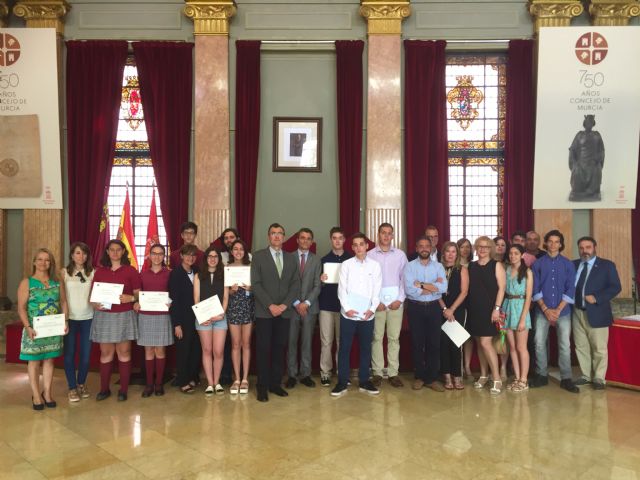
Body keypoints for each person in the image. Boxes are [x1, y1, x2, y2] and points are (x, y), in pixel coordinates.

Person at [250, 223, 300, 402]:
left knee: (280, 348)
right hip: (265, 312)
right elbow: (255, 284)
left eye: (280, 233)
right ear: (268, 237)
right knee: (263, 349)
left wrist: (285, 305)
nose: (277, 236)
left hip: (285, 313)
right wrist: (270, 305)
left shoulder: (291, 258)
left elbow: (296, 284)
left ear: (284, 237)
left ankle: (275, 384)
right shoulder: (258, 257)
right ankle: (262, 386)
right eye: (273, 233)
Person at [331, 233, 382, 397]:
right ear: (352, 247)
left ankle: (365, 381)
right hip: (348, 315)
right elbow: (342, 289)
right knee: (344, 348)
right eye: (355, 245)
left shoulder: (375, 266)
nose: (359, 247)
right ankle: (341, 382)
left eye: (362, 244)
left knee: (366, 348)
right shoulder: (346, 265)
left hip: (367, 315)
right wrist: (347, 308)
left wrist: (372, 309)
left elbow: (377, 290)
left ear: (367, 246)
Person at [90, 240, 141, 402]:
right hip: (104, 315)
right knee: (106, 353)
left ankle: (123, 390)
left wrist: (131, 298)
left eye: (118, 250)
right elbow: (92, 297)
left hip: (124, 314)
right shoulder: (100, 272)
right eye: (111, 250)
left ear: (123, 252)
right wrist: (94, 303)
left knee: (124, 352)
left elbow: (139, 295)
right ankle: (104, 389)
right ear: (107, 252)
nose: (115, 253)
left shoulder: (131, 271)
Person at [18, 248, 68, 410]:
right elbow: (21, 308)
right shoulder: (27, 282)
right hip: (34, 330)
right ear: (34, 262)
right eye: (39, 259)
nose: (43, 263)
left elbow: (63, 302)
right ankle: (36, 395)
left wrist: (65, 321)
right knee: (33, 362)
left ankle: (47, 393)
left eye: (47, 260)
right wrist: (28, 327)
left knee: (49, 360)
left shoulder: (57, 282)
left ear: (51, 263)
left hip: (52, 329)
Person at [530, 230, 579, 393]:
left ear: (561, 244)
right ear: (545, 243)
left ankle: (566, 378)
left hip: (563, 312)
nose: (553, 244)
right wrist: (545, 309)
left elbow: (571, 288)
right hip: (541, 310)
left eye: (556, 241)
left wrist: (557, 310)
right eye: (550, 241)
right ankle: (541, 375)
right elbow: (534, 288)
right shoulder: (537, 264)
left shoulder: (568, 264)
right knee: (539, 343)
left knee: (564, 344)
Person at [572, 236, 621, 390]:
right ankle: (586, 375)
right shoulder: (573, 265)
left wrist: (597, 297)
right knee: (581, 346)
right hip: (576, 311)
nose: (584, 250)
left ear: (594, 247)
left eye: (588, 247)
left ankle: (599, 378)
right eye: (581, 248)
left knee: (599, 347)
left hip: (597, 312)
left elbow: (615, 287)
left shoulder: (607, 265)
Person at [404, 236, 447, 392]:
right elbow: (410, 290)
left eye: (426, 246)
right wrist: (432, 287)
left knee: (434, 344)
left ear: (431, 248)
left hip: (434, 308)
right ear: (416, 248)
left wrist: (421, 285)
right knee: (417, 343)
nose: (424, 248)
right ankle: (420, 377)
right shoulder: (409, 267)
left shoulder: (438, 266)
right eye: (421, 246)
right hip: (415, 308)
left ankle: (432, 378)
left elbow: (442, 288)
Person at [368, 223, 408, 388]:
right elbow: (367, 281)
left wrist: (399, 299)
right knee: (376, 338)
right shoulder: (370, 255)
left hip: (395, 305)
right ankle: (377, 372)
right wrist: (374, 302)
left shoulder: (400, 255)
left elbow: (405, 279)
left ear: (393, 236)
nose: (386, 236)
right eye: (383, 233)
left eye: (389, 233)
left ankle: (393, 373)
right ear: (378, 234)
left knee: (393, 339)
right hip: (377, 305)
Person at [466, 236, 506, 395]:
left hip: (490, 310)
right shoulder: (471, 266)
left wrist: (496, 309)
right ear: (476, 249)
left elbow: (502, 289)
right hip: (474, 309)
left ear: (491, 249)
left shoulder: (497, 265)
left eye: (486, 247)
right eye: (480, 247)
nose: (482, 249)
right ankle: (483, 375)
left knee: (485, 342)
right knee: (479, 343)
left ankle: (496, 378)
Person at [134, 244, 173, 398]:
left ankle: (159, 384)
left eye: (160, 254)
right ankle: (149, 384)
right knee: (149, 350)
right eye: (154, 253)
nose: (157, 256)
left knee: (160, 350)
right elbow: (138, 294)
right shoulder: (142, 274)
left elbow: (174, 293)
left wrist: (170, 301)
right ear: (149, 256)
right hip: (146, 315)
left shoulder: (169, 274)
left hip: (163, 315)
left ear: (164, 256)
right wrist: (136, 303)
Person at [286, 228, 322, 389]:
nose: (305, 241)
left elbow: (317, 285)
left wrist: (306, 303)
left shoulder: (317, 260)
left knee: (306, 343)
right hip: (291, 308)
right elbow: (285, 284)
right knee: (291, 342)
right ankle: (292, 375)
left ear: (311, 241)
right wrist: (295, 303)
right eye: (302, 238)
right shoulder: (288, 258)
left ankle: (305, 374)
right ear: (297, 240)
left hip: (310, 308)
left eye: (308, 238)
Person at [318, 227, 353, 386]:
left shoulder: (352, 259)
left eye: (340, 237)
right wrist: (321, 279)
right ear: (331, 240)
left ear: (344, 240)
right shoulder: (324, 260)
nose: (337, 240)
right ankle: (325, 372)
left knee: (342, 341)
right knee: (326, 341)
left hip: (345, 307)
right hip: (326, 305)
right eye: (334, 238)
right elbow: (317, 285)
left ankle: (342, 372)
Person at [62, 242, 94, 402]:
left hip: (88, 318)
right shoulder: (64, 273)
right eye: (78, 253)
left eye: (84, 253)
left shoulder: (93, 273)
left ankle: (81, 383)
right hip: (70, 319)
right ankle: (72, 387)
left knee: (86, 355)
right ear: (72, 255)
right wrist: (64, 318)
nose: (81, 256)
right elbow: (61, 298)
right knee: (69, 354)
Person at [194, 246, 229, 395]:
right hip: (203, 318)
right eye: (210, 256)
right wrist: (202, 316)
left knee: (218, 351)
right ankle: (210, 383)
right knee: (207, 350)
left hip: (220, 317)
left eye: (215, 256)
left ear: (219, 259)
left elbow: (226, 297)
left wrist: (221, 314)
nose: (213, 259)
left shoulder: (225, 274)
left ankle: (217, 382)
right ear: (206, 258)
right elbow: (196, 298)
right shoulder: (198, 275)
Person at [169, 244, 202, 394]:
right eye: (187, 255)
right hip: (183, 320)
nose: (190, 258)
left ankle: (193, 376)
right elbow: (173, 301)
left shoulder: (198, 271)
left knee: (195, 349)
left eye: (193, 255)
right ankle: (183, 380)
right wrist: (176, 324)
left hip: (199, 318)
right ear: (181, 256)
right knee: (183, 351)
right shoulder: (175, 274)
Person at [438, 241, 468, 390]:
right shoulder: (437, 268)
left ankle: (457, 376)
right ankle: (447, 376)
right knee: (443, 344)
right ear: (443, 253)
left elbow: (464, 292)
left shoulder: (462, 269)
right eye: (447, 251)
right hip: (440, 309)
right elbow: (435, 291)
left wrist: (452, 310)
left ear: (457, 254)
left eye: (453, 251)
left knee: (456, 344)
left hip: (457, 310)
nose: (450, 254)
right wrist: (444, 309)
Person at [226, 239, 254, 395]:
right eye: (235, 249)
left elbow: (256, 291)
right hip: (233, 309)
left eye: (241, 249)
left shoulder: (250, 268)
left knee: (246, 343)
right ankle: (236, 379)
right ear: (231, 251)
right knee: (235, 344)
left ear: (245, 251)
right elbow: (225, 293)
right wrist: (232, 290)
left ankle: (245, 379)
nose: (238, 251)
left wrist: (250, 288)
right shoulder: (227, 268)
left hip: (248, 308)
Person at [503, 245, 533, 392]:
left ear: (522, 255)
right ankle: (516, 377)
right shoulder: (506, 270)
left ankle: (524, 379)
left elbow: (528, 298)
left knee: (521, 347)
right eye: (511, 253)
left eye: (516, 253)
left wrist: (522, 319)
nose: (512, 256)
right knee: (513, 347)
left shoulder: (527, 272)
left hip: (521, 308)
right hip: (507, 307)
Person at [568, 114, 605, 202]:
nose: (589, 124)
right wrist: (574, 161)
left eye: (591, 123)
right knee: (577, 170)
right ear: (585, 123)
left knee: (596, 170)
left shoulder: (597, 135)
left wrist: (598, 159)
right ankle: (577, 191)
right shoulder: (579, 135)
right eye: (588, 122)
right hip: (580, 162)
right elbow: (572, 149)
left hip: (593, 162)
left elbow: (602, 150)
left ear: (593, 124)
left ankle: (592, 192)